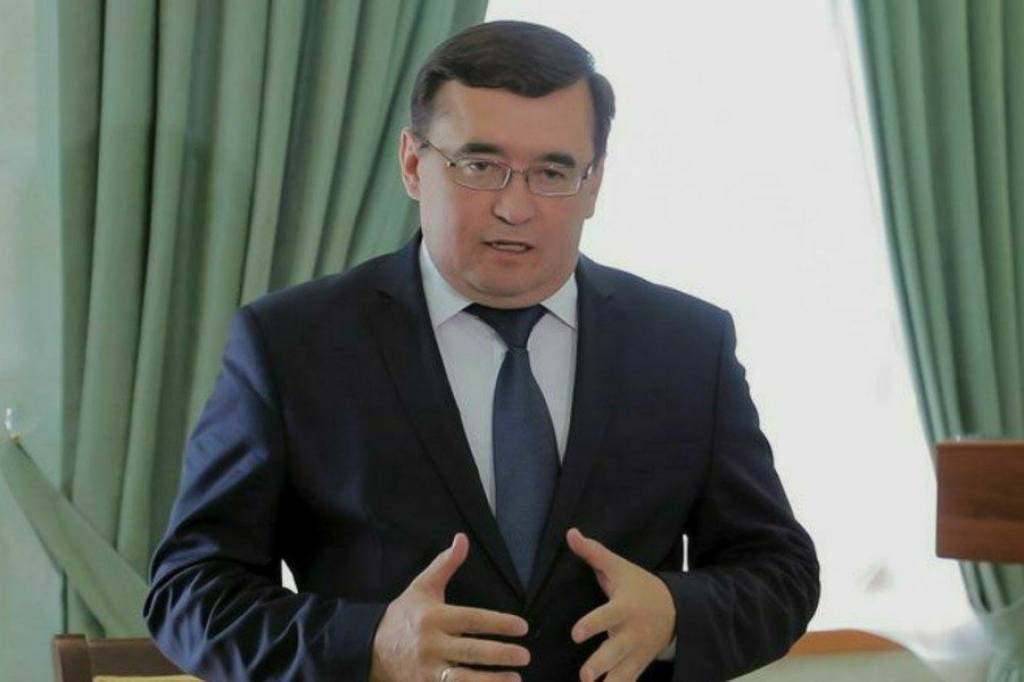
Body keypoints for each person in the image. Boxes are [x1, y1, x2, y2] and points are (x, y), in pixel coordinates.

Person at [144, 20, 819, 682]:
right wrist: (369, 645)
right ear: (414, 164)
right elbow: (190, 592)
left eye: (552, 171)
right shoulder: (292, 343)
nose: (515, 207)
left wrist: (674, 614)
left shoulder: (686, 345)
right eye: (480, 166)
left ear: (593, 184)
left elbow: (780, 573)